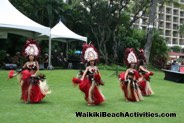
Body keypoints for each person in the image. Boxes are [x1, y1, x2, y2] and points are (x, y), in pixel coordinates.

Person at [9, 39, 51, 103]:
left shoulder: (36, 62)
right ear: (28, 56)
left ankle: (34, 99)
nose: (31, 57)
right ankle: (26, 99)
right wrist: (15, 74)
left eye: (32, 56)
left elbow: (37, 69)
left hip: (34, 77)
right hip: (27, 78)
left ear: (34, 56)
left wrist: (34, 74)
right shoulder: (27, 63)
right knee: (27, 88)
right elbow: (22, 70)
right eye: (30, 56)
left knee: (33, 88)